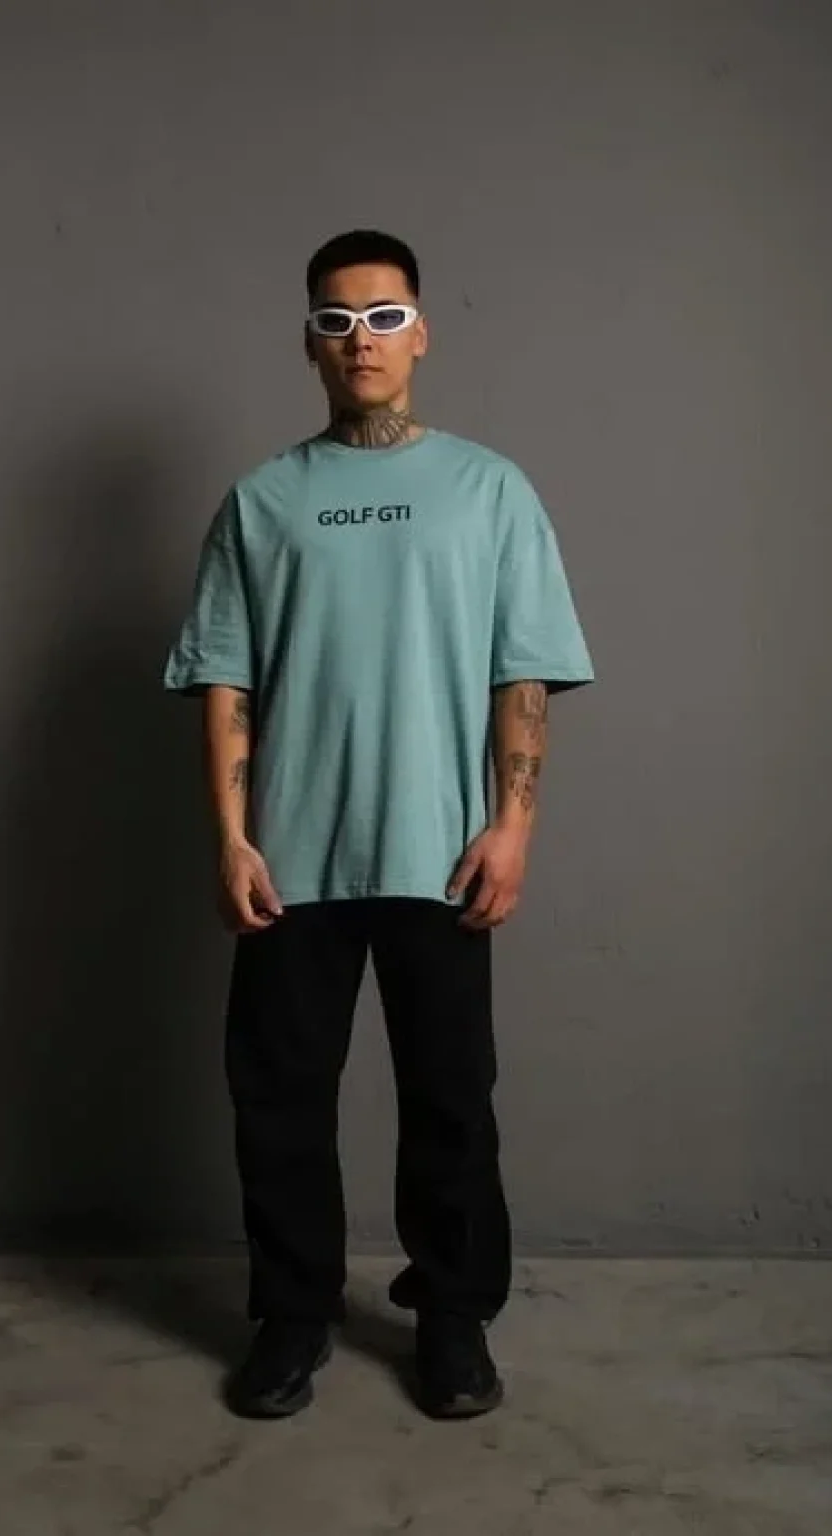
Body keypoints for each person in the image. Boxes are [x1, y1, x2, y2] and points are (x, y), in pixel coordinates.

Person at [163, 229, 595, 1420]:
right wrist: (231, 837)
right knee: (279, 1102)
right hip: (290, 859)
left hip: (440, 851)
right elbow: (226, 681)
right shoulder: (262, 501)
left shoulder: (490, 490)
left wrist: (513, 828)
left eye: (385, 316)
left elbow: (521, 672)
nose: (362, 340)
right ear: (309, 341)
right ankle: (292, 1315)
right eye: (337, 319)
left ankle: (452, 1318)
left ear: (421, 332)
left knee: (450, 1101)